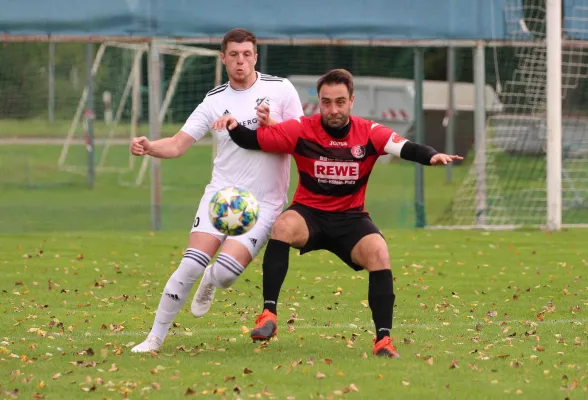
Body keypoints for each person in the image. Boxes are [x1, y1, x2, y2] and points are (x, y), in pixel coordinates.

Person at [224, 68, 462, 357]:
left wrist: (431, 155)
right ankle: (268, 315)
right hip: (309, 213)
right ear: (319, 103)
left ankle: (383, 340)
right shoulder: (301, 129)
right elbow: (253, 140)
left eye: (339, 102)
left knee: (379, 252)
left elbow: (405, 147)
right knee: (283, 226)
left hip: (351, 219)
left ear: (351, 101)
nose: (333, 109)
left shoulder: (370, 132)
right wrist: (233, 125)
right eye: (326, 102)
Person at [129, 28, 303, 353]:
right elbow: (178, 144)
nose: (240, 61)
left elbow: (301, 137)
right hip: (221, 197)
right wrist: (150, 146)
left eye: (246, 54)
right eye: (234, 55)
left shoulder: (281, 90)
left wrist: (271, 126)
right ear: (223, 58)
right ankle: (154, 338)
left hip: (263, 204)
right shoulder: (214, 100)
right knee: (191, 263)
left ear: (256, 56)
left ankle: (211, 281)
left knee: (223, 275)